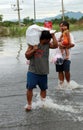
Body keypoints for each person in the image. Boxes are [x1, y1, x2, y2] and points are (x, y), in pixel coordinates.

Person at [25, 30, 58, 111]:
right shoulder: (33, 44)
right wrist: (34, 50)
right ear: (45, 39)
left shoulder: (47, 44)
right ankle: (29, 105)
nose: (50, 41)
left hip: (44, 71)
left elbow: (56, 45)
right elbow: (27, 56)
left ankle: (43, 103)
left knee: (43, 89)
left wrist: (53, 35)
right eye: (49, 39)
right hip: (33, 71)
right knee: (30, 88)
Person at [55, 21, 75, 88]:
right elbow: (54, 43)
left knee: (66, 70)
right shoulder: (57, 34)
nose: (62, 27)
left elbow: (72, 44)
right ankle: (61, 85)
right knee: (60, 71)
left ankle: (68, 83)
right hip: (58, 56)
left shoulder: (69, 34)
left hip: (67, 56)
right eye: (60, 26)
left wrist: (65, 46)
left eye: (63, 26)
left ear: (67, 27)